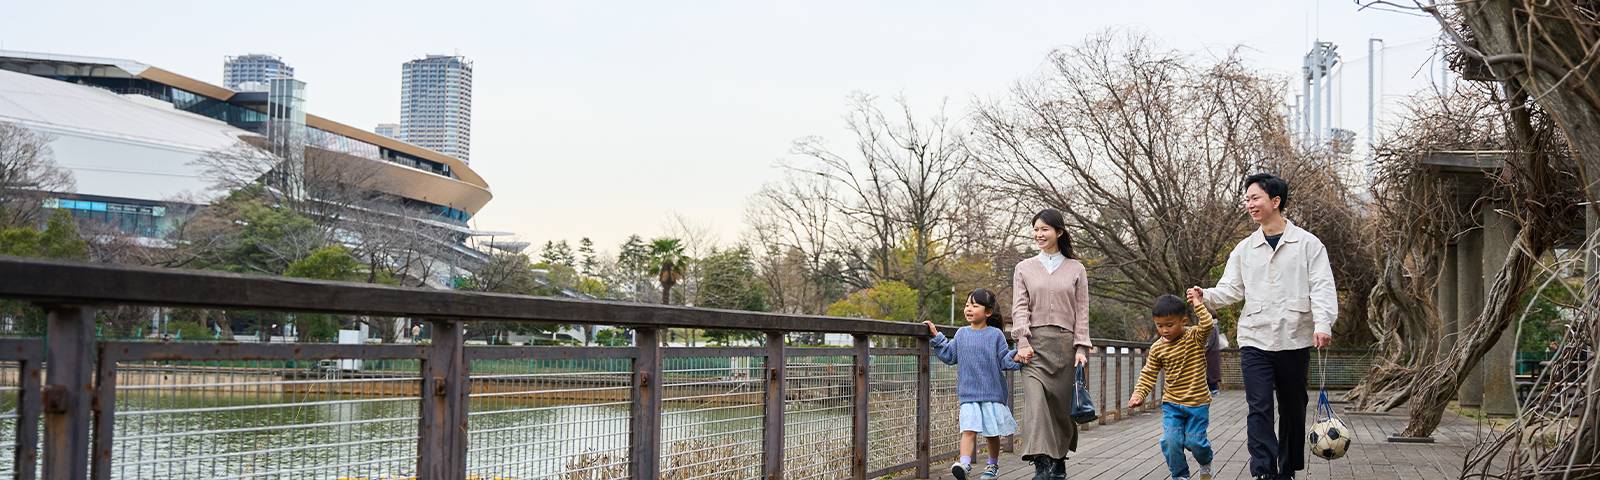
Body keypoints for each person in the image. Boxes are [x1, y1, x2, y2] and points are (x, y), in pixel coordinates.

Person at [1192, 173, 1337, 480]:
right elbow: (1230, 289)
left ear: (1275, 201)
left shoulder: (1309, 245)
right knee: (1258, 407)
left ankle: (1286, 470)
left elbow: (1323, 287)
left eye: (1255, 198)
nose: (1249, 205)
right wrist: (1207, 296)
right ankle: (1263, 471)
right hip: (1254, 338)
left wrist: (1323, 324)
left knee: (1293, 410)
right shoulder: (1245, 249)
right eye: (1246, 200)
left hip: (1294, 338)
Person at [1012, 208, 1092, 480]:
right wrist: (1022, 341)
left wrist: (1081, 348)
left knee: (1060, 407)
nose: (1039, 234)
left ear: (1059, 232)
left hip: (1065, 345)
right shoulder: (1023, 268)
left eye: (1045, 229)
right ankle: (1041, 463)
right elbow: (1020, 308)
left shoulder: (1076, 269)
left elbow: (1082, 312)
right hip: (1033, 347)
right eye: (1035, 229)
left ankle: (1060, 457)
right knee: (1035, 404)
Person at [923, 288, 1023, 480]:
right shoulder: (961, 334)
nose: (968, 309)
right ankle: (965, 465)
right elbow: (950, 355)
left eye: (974, 306)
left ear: (988, 312)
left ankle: (992, 466)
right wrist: (936, 336)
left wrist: (1017, 356)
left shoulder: (996, 335)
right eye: (967, 305)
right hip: (968, 394)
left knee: (991, 434)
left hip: (992, 393)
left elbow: (1004, 360)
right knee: (968, 430)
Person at [1129, 293, 1217, 480]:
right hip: (1172, 404)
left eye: (1170, 325)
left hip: (1198, 403)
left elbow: (1208, 324)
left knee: (1196, 442)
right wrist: (1139, 394)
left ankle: (1206, 460)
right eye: (1159, 326)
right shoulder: (1157, 348)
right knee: (1170, 441)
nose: (1164, 330)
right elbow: (1149, 373)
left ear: (1183, 321)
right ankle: (1180, 476)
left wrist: (1197, 304)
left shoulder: (1194, 337)